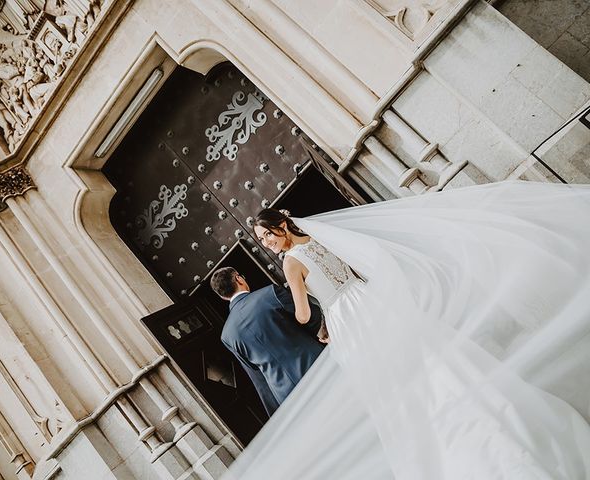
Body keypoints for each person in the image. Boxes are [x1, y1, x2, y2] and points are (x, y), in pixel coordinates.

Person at [222, 180, 590, 480]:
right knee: (426, 360)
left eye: (267, 235)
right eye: (262, 240)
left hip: (349, 321)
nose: (267, 243)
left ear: (281, 226)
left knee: (393, 386)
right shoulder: (321, 238)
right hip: (371, 304)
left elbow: (302, 314)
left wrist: (318, 325)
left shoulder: (290, 263)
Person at [210, 267, 325, 416]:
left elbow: (255, 373)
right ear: (238, 279)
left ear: (223, 297)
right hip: (316, 365)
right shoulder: (270, 293)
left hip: (286, 394)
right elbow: (309, 317)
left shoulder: (227, 335)